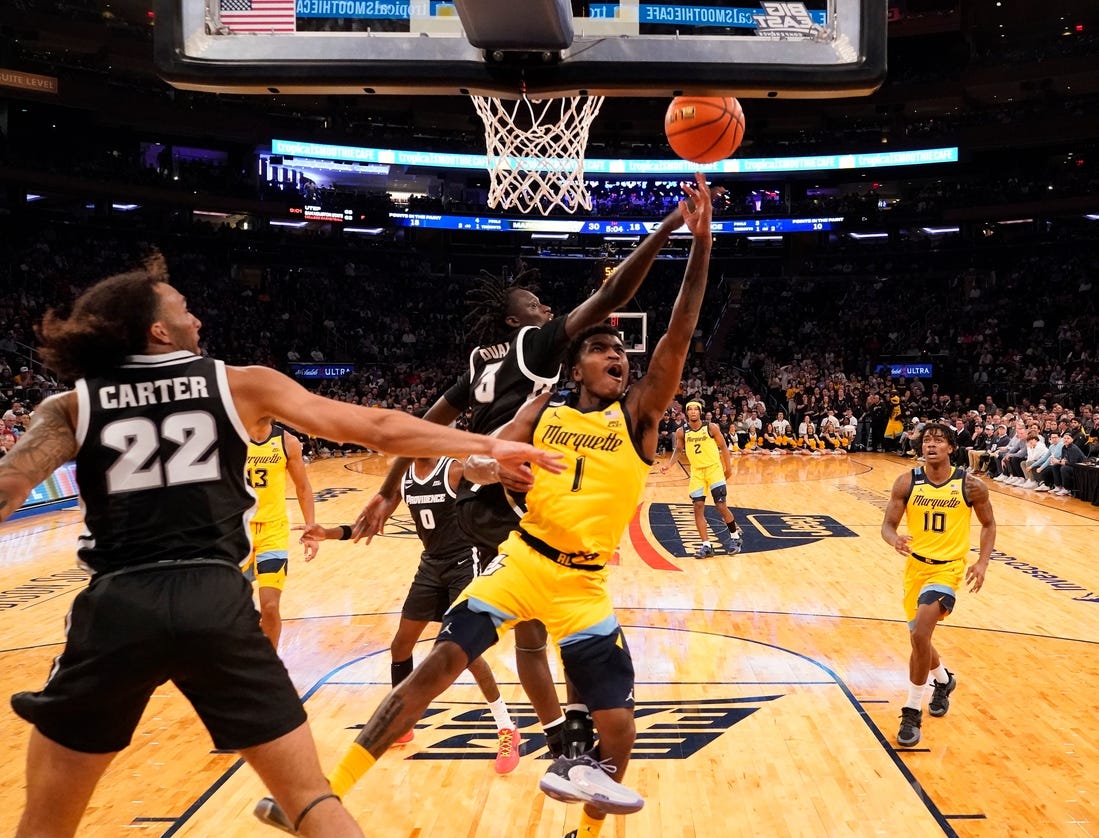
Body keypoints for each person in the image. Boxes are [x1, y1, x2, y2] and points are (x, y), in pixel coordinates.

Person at [0, 256, 559, 838]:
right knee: (312, 801)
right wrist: (489, 446)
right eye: (183, 309)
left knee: (43, 823)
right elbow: (378, 427)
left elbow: (9, 487)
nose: (197, 317)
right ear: (158, 331)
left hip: (116, 605)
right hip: (214, 601)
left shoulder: (69, 406)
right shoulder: (239, 383)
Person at [255, 173, 715, 838]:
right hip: (520, 560)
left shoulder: (640, 414)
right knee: (439, 663)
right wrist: (486, 467)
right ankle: (319, 799)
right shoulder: (542, 406)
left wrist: (695, 240)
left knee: (621, 732)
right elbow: (476, 451)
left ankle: (579, 813)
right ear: (576, 366)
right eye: (600, 348)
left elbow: (679, 326)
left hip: (583, 584)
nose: (615, 354)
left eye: (620, 350)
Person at [352, 195, 703, 761]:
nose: (548, 311)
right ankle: (569, 726)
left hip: (477, 492)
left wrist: (391, 488)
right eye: (538, 305)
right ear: (519, 321)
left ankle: (560, 727)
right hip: (510, 486)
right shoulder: (538, 350)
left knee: (528, 628)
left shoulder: (477, 363)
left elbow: (426, 424)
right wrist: (672, 229)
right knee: (546, 613)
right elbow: (614, 296)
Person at [299, 454, 521, 774]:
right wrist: (328, 533)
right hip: (431, 566)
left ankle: (506, 728)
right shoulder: (404, 479)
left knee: (465, 652)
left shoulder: (454, 469)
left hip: (464, 562)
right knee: (401, 646)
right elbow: (369, 524)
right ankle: (402, 723)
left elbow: (492, 493)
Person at [881, 422, 996, 748]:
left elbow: (989, 525)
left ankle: (911, 710)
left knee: (920, 635)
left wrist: (982, 562)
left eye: (938, 440)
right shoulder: (907, 481)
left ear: (951, 448)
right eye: (926, 440)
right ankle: (944, 681)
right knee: (921, 641)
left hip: (947, 571)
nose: (930, 445)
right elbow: (888, 525)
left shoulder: (970, 486)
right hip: (915, 570)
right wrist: (895, 540)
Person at [246, 418, 318, 649]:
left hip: (273, 531)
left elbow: (303, 486)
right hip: (236, 532)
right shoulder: (233, 436)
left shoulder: (287, 441)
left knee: (269, 607)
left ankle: (269, 668)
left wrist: (311, 526)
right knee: (235, 607)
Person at [660, 398, 743, 558]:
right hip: (697, 472)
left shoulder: (710, 427)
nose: (692, 411)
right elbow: (678, 450)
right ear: (686, 412)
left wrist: (729, 468)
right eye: (689, 409)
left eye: (695, 409)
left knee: (720, 506)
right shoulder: (681, 431)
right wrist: (669, 465)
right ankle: (706, 545)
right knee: (698, 507)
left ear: (700, 412)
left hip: (714, 469)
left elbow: (724, 447)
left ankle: (735, 537)